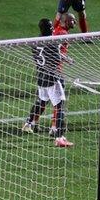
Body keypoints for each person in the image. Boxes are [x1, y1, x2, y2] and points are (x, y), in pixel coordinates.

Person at [21, 18, 74, 147]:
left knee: (41, 101)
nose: (52, 28)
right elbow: (56, 60)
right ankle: (59, 137)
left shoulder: (35, 42)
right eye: (50, 27)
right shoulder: (52, 42)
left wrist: (66, 58)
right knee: (60, 105)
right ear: (47, 29)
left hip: (40, 76)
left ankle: (29, 123)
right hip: (52, 77)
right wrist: (62, 59)